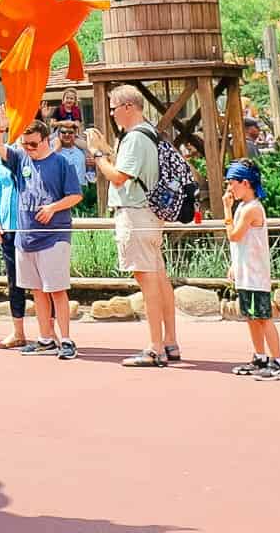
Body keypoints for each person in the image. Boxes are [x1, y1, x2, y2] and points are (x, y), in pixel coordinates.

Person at [85, 85, 180, 367]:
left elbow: (119, 176)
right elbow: (129, 169)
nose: (111, 114)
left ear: (127, 107)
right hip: (149, 214)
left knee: (147, 280)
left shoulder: (135, 138)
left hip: (135, 213)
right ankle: (169, 341)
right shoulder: (147, 133)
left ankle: (154, 347)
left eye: (113, 108)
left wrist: (97, 155)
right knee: (159, 278)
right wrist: (107, 149)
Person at [0, 119, 82, 359]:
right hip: (25, 236)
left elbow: (75, 195)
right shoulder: (21, 158)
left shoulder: (62, 163)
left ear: (45, 140)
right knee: (37, 290)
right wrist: (1, 129)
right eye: (25, 144)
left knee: (57, 290)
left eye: (33, 144)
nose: (28, 148)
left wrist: (53, 207)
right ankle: (45, 338)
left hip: (54, 236)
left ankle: (67, 340)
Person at [222, 160, 280, 380]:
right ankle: (260, 356)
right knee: (251, 317)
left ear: (245, 183)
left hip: (256, 274)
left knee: (263, 317)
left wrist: (225, 210)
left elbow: (234, 235)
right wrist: (234, 264)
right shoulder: (243, 207)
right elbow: (240, 243)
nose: (230, 188)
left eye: (233, 183)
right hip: (244, 272)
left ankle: (279, 362)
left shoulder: (252, 209)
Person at [0, 113, 31, 350]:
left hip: (30, 226)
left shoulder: (29, 151)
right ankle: (18, 331)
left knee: (39, 282)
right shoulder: (0, 155)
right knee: (14, 281)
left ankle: (50, 333)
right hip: (8, 226)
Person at [52, 123, 87, 193]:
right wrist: (56, 149)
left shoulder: (82, 150)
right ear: (58, 134)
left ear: (75, 134)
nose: (67, 134)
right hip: (61, 192)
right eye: (63, 132)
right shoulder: (53, 151)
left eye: (70, 132)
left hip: (81, 191)